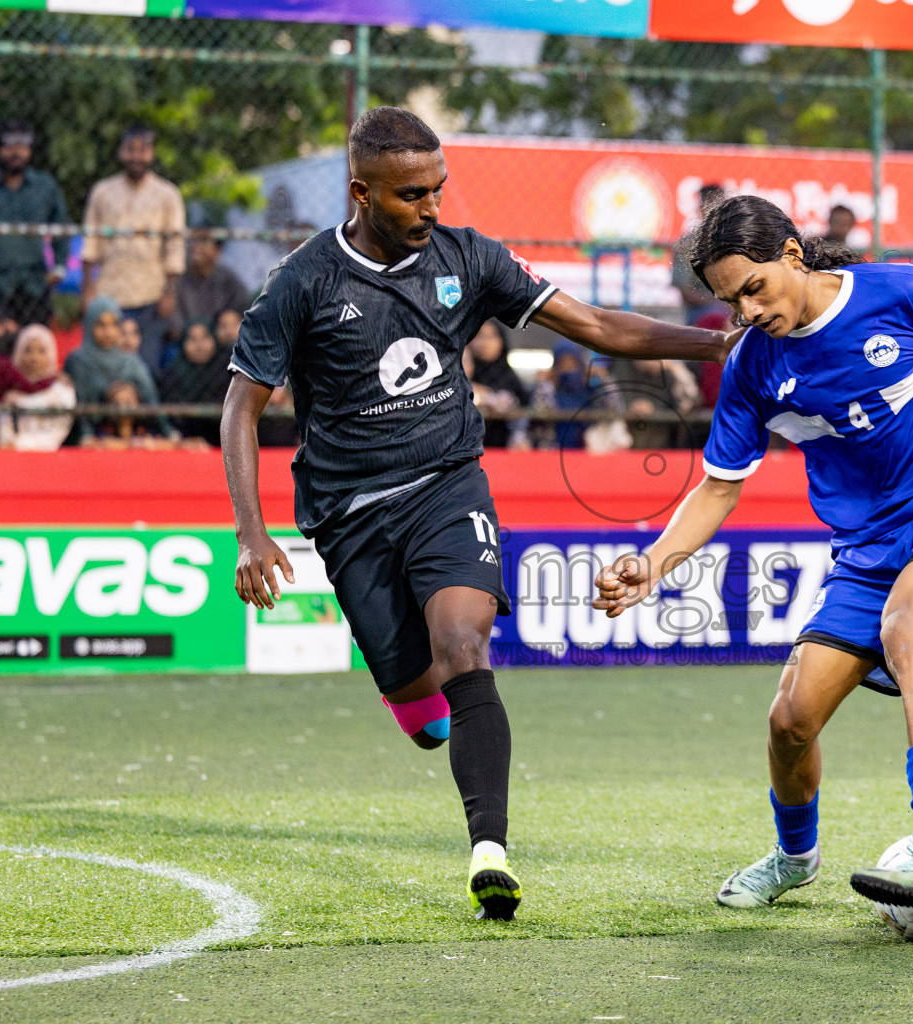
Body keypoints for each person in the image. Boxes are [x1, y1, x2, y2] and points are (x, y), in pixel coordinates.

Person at [220, 106, 730, 922]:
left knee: (465, 643)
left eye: (438, 190)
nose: (431, 207)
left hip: (446, 486)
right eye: (412, 195)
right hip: (348, 517)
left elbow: (595, 325)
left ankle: (488, 851)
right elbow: (240, 408)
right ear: (361, 192)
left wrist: (713, 344)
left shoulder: (469, 256)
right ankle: (411, 696)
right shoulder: (303, 281)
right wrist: (252, 531)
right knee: (423, 716)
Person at [592, 195, 913, 938]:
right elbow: (720, 485)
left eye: (754, 288)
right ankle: (796, 859)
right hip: (869, 544)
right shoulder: (751, 367)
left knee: (908, 626)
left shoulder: (907, 292)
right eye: (731, 301)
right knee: (790, 720)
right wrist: (655, 563)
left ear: (794, 254)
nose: (747, 310)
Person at [81, 125, 186, 371]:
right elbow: (90, 241)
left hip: (151, 292)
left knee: (146, 364)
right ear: (121, 152)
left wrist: (170, 291)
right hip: (109, 291)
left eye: (143, 150)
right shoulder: (102, 192)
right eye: (130, 150)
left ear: (152, 153)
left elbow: (175, 244)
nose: (136, 156)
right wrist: (87, 289)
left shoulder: (167, 194)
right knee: (105, 364)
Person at [0, 119, 71, 328]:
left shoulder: (45, 187)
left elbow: (62, 228)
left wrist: (60, 267)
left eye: (23, 145)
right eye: (9, 145)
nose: (17, 152)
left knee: (35, 347)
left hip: (34, 283)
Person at [64, 296, 163, 444]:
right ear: (90, 325)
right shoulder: (77, 361)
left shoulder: (131, 362)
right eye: (101, 325)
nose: (108, 332)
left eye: (114, 325)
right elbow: (80, 404)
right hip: (88, 438)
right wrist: (87, 438)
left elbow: (152, 401)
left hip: (133, 435)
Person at [0, 324, 76, 452]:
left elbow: (57, 430)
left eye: (42, 351)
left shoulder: (61, 389)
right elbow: (4, 424)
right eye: (27, 350)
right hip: (12, 454)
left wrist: (22, 444)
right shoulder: (11, 387)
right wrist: (8, 442)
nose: (34, 358)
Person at [461, 321, 530, 450]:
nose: (485, 343)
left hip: (503, 452)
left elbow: (523, 410)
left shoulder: (511, 379)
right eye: (479, 336)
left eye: (491, 337)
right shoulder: (463, 375)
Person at [158, 321, 229, 446]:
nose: (199, 345)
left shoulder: (229, 373)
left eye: (205, 337)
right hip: (183, 448)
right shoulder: (171, 375)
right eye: (192, 339)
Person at [175, 232, 249, 339]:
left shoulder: (229, 280)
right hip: (184, 340)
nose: (196, 247)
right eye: (193, 241)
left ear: (217, 250)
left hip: (218, 341)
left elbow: (239, 311)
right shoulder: (178, 277)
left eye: (204, 242)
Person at [673, 183, 727, 325]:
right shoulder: (688, 244)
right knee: (716, 318)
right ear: (700, 209)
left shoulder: (737, 241)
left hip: (733, 310)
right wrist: (720, 303)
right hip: (703, 312)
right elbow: (686, 293)